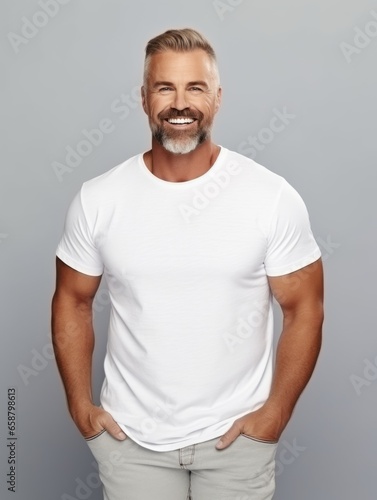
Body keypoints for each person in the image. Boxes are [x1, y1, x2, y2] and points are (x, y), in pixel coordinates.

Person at [51, 28, 324, 500]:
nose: (181, 103)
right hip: (131, 442)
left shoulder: (270, 197)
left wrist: (276, 412)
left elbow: (306, 308)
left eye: (195, 88)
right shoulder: (99, 199)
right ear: (143, 99)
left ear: (217, 99)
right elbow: (72, 301)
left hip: (238, 441)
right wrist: (80, 406)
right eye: (165, 88)